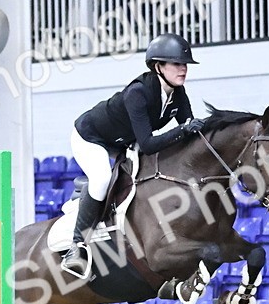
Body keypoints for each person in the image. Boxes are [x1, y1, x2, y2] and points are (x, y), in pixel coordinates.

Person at [61, 32, 205, 279]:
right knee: (102, 178)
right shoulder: (137, 93)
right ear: (158, 66)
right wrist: (183, 129)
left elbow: (190, 128)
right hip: (91, 137)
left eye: (185, 64)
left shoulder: (177, 93)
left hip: (123, 140)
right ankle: (76, 247)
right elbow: (148, 143)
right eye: (177, 64)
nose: (183, 69)